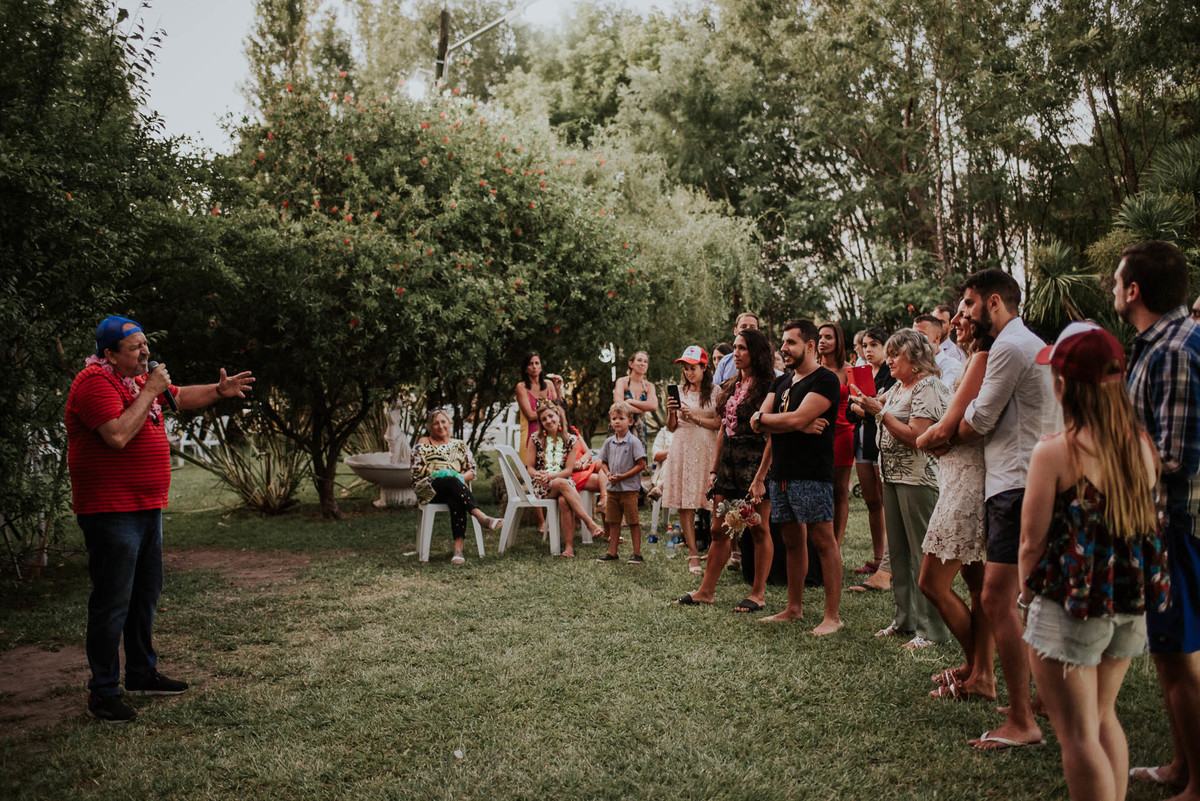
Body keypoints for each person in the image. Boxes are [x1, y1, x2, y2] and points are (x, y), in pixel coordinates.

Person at [67, 315, 254, 722]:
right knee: (112, 601)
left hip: (147, 506)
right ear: (109, 354)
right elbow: (116, 435)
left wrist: (219, 391)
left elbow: (179, 396)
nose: (145, 352)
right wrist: (150, 388)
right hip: (110, 510)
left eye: (145, 344)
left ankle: (140, 672)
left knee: (144, 594)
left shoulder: (139, 382)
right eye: (135, 348)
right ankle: (102, 692)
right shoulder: (94, 383)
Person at [1018, 324, 1169, 796]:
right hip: (1126, 601)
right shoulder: (1141, 445)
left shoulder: (1057, 451)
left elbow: (1030, 541)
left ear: (1062, 385)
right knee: (1104, 718)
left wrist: (1026, 598)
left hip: (1071, 606)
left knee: (1078, 734)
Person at [926, 267, 1056, 751]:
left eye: (969, 304)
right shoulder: (1032, 343)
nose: (963, 313)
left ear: (995, 303)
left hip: (1013, 485)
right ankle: (1041, 699)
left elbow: (977, 421)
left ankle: (1022, 720)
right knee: (1033, 598)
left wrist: (942, 438)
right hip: (1032, 479)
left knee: (997, 599)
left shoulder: (1008, 347)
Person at [1114, 240, 1200, 799]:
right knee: (1170, 652)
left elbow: (1176, 454)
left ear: (1134, 289)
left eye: (1117, 281)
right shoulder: (1158, 342)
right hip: (1160, 521)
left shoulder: (1173, 348)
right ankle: (1179, 765)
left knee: (1179, 655)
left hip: (1176, 523)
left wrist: (1108, 452)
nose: (1113, 290)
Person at [850, 329, 952, 650]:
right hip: (892, 477)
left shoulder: (929, 387)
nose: (889, 360)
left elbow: (916, 436)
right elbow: (875, 408)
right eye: (889, 353)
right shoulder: (897, 386)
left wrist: (877, 412)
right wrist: (865, 404)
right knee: (900, 553)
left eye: (896, 354)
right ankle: (904, 618)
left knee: (922, 555)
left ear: (917, 359)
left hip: (918, 478)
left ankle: (931, 629)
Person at [915, 302, 996, 700]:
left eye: (965, 312)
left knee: (932, 581)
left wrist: (924, 440)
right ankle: (977, 670)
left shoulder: (981, 357)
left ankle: (982, 671)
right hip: (959, 474)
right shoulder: (972, 358)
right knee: (976, 583)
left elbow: (954, 426)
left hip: (968, 479)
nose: (958, 320)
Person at [752, 319, 843, 634]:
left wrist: (790, 421)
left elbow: (792, 417)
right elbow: (756, 421)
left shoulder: (826, 379)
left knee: (823, 540)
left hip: (812, 473)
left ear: (810, 345)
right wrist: (791, 423)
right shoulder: (781, 381)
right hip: (781, 474)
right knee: (792, 542)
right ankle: (794, 608)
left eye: (791, 342)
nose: (784, 348)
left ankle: (832, 616)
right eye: (783, 342)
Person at [672, 329, 774, 612]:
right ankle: (706, 590)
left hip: (755, 464)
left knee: (758, 529)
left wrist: (761, 477)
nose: (736, 354)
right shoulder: (729, 385)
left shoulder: (769, 385)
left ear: (756, 352)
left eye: (742, 348)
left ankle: (757, 594)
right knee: (719, 530)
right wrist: (714, 470)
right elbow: (722, 431)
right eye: (736, 348)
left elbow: (772, 435)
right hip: (727, 467)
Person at [413, 410, 504, 564]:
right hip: (430, 489)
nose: (440, 426)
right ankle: (480, 516)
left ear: (449, 423)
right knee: (450, 481)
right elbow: (416, 472)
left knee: (455, 494)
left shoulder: (460, 445)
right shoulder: (424, 442)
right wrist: (443, 476)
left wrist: (458, 478)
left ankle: (458, 551)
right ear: (430, 426)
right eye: (436, 423)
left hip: (455, 489)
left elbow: (472, 471)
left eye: (443, 422)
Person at [662, 345, 720, 576]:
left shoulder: (715, 392)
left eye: (693, 368)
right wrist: (671, 412)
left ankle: (718, 547)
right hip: (683, 446)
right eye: (686, 369)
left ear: (704, 368)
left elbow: (719, 424)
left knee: (713, 501)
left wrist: (694, 417)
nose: (689, 373)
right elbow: (671, 427)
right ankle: (693, 552)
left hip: (706, 447)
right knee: (685, 501)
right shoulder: (679, 390)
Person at [525, 402, 605, 557]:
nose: (548, 421)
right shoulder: (536, 439)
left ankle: (569, 548)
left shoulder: (571, 440)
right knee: (563, 483)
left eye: (550, 416)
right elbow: (530, 467)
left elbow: (568, 470)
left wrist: (552, 476)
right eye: (543, 419)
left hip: (564, 482)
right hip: (542, 486)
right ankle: (590, 523)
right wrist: (538, 475)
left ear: (559, 417)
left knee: (563, 500)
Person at [846, 327, 893, 586]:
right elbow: (850, 412)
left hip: (882, 442)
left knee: (887, 501)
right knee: (872, 502)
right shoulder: (860, 373)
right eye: (865, 345)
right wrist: (865, 407)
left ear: (886, 347)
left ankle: (890, 560)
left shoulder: (891, 373)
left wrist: (865, 407)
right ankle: (877, 556)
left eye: (874, 344)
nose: (868, 349)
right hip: (862, 442)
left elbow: (885, 410)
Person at [817, 323, 855, 548]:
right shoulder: (811, 369)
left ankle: (836, 544)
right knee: (819, 488)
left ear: (838, 341)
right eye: (820, 337)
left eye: (828, 337)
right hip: (816, 434)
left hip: (842, 433)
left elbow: (861, 403)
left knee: (840, 490)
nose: (822, 341)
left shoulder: (848, 371)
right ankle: (819, 542)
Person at [595, 401, 648, 563]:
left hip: (629, 490)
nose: (617, 421)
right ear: (611, 421)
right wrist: (608, 473)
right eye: (614, 418)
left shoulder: (634, 442)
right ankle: (613, 552)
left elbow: (641, 465)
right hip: (612, 490)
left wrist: (623, 476)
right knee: (613, 521)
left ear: (630, 421)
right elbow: (602, 462)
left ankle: (637, 553)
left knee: (633, 521)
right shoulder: (608, 442)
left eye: (621, 418)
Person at [515, 351, 561, 464]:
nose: (534, 366)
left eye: (537, 363)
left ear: (541, 367)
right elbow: (530, 415)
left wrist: (558, 388)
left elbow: (559, 409)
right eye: (531, 364)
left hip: (551, 434)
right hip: (531, 435)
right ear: (526, 369)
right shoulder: (521, 387)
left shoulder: (549, 385)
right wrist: (550, 414)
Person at [613, 350, 658, 451]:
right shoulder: (622, 382)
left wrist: (630, 402)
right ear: (631, 364)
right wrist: (643, 408)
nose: (642, 363)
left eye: (645, 361)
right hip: (621, 425)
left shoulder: (649, 386)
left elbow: (654, 406)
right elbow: (618, 404)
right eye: (639, 360)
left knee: (639, 459)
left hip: (640, 427)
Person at [914, 314, 963, 390]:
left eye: (921, 335)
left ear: (937, 337)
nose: (914, 340)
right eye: (912, 335)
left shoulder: (953, 367)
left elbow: (943, 397)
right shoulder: (910, 364)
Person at [712, 312, 762, 385]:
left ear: (758, 332)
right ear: (735, 331)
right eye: (743, 327)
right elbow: (715, 389)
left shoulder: (765, 360)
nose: (747, 330)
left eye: (752, 327)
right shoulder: (725, 362)